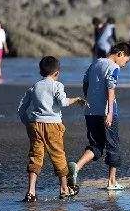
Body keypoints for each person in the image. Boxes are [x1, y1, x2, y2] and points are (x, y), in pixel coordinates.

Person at [17, 56, 86, 202]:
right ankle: (64, 189)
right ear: (57, 72)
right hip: (53, 125)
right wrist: (76, 99)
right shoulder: (57, 85)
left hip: (35, 124)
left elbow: (21, 108)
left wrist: (27, 123)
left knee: (35, 157)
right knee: (58, 155)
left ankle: (31, 192)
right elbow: (63, 102)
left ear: (41, 71)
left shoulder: (35, 86)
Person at [67, 42, 130, 191]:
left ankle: (76, 167)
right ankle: (111, 182)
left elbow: (85, 82)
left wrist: (89, 98)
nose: (124, 65)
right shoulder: (114, 67)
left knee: (96, 145)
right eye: (126, 61)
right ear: (120, 53)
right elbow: (111, 88)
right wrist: (109, 112)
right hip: (106, 112)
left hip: (90, 112)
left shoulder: (95, 63)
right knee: (113, 145)